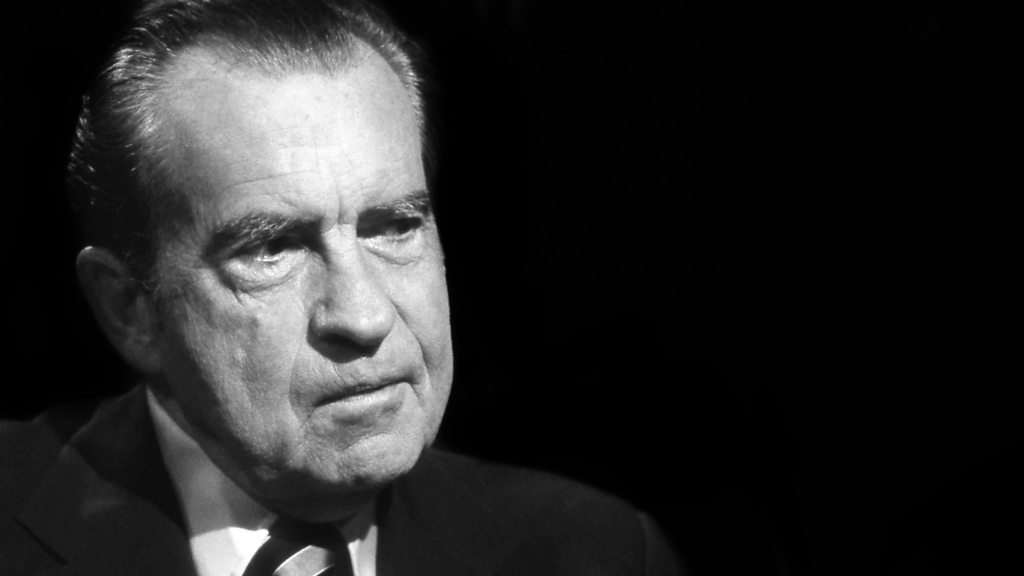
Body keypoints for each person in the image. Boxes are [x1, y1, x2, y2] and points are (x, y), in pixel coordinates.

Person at [0, 1, 683, 574]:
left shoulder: (601, 552)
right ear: (129, 308)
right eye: (272, 248)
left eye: (395, 227)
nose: (363, 316)